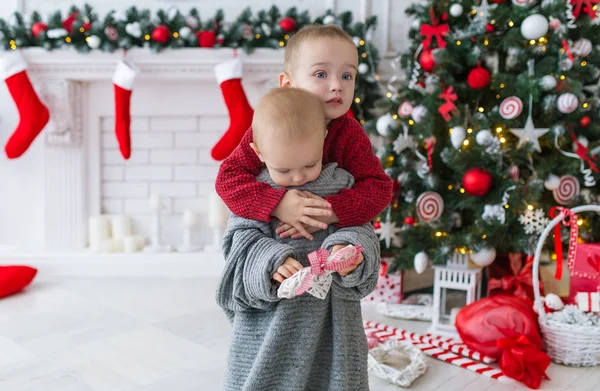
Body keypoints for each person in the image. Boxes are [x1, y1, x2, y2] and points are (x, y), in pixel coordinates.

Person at [216, 87, 380, 391]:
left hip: (333, 330)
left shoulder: (340, 185)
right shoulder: (254, 194)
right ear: (259, 153)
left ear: (322, 142)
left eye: (309, 164)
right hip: (270, 329)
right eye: (284, 169)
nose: (298, 178)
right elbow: (238, 248)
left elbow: (363, 230)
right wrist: (269, 261)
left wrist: (348, 251)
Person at [215, 24, 393, 241]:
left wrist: (329, 212)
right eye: (321, 74)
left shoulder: (349, 133)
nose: (337, 85)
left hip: (329, 244)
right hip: (274, 243)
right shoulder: (272, 126)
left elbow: (378, 188)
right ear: (288, 84)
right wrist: (278, 204)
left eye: (347, 76)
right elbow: (228, 180)